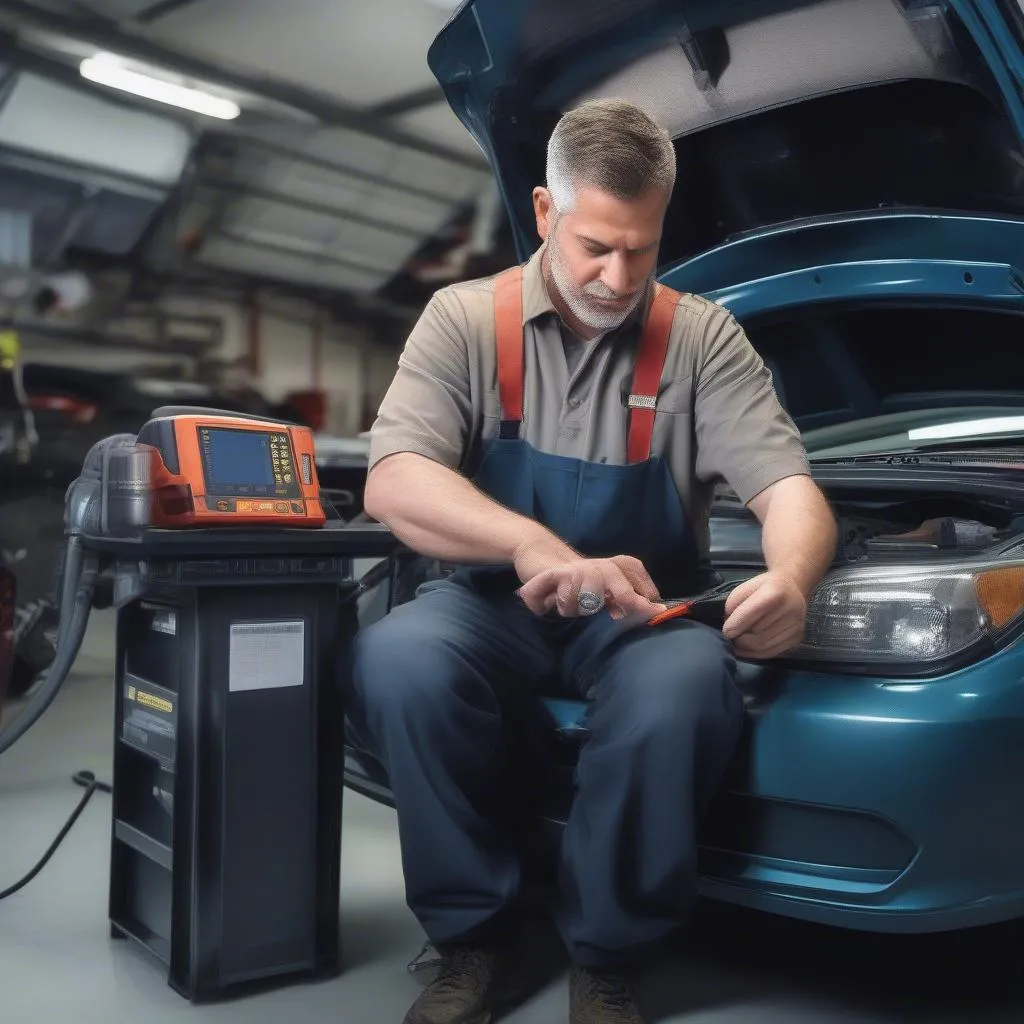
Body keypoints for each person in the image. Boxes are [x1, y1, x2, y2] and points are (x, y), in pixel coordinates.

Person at [348, 99, 838, 1024]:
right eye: (594, 248)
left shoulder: (702, 338)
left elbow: (790, 491)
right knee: (397, 657)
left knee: (686, 685)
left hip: (637, 614)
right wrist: (530, 544)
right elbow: (396, 481)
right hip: (494, 604)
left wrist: (792, 578)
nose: (618, 276)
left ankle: (608, 955)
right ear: (544, 213)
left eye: (641, 249)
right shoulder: (462, 320)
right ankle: (473, 941)